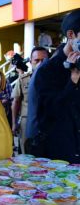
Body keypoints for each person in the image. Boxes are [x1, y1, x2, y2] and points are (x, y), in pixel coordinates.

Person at [34, 10, 80, 163]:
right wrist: (72, 82)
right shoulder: (48, 70)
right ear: (71, 35)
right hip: (62, 154)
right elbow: (49, 112)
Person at [11, 47, 48, 153]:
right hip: (26, 121)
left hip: (47, 121)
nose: (40, 64)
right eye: (36, 60)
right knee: (26, 152)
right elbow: (16, 102)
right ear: (31, 62)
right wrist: (14, 124)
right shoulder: (23, 79)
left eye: (44, 60)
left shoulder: (54, 80)